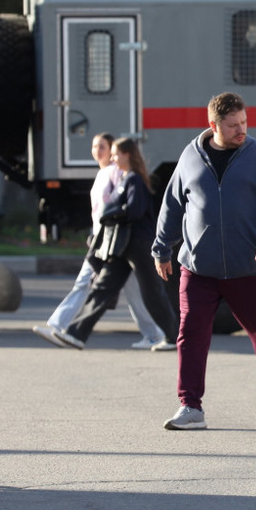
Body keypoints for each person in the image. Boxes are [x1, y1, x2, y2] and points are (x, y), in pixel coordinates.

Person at [154, 93, 256, 430]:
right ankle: (190, 407)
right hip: (198, 268)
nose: (241, 130)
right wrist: (161, 248)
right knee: (190, 335)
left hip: (249, 266)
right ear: (214, 126)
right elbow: (172, 205)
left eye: (244, 122)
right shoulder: (190, 157)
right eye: (233, 125)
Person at [37, 137, 179, 353]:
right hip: (122, 244)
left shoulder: (135, 180)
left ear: (127, 154)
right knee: (102, 287)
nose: (112, 158)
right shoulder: (124, 179)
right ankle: (76, 334)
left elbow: (136, 210)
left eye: (115, 154)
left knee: (152, 291)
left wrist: (112, 214)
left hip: (138, 243)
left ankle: (173, 337)